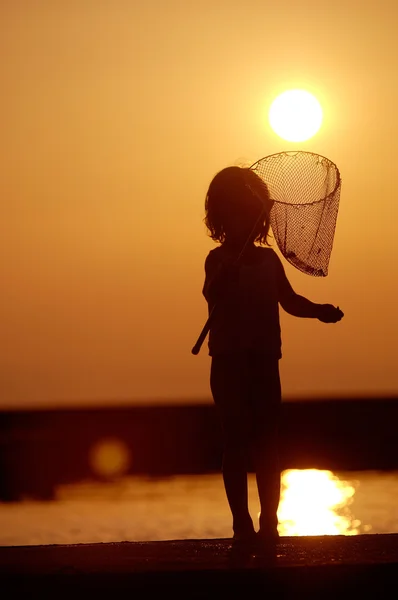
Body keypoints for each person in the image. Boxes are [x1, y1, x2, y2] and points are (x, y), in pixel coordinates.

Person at [202, 165, 344, 552]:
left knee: (267, 442)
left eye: (249, 210)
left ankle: (269, 521)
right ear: (221, 216)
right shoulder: (216, 261)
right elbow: (211, 295)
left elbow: (290, 301)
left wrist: (318, 310)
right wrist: (223, 279)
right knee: (235, 441)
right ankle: (240, 523)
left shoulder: (268, 263)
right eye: (234, 211)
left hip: (265, 361)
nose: (243, 218)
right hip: (228, 362)